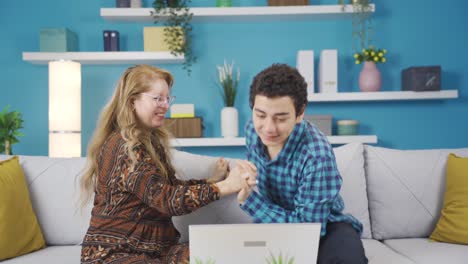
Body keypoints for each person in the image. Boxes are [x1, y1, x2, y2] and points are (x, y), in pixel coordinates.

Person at [80, 64, 256, 264]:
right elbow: (167, 200)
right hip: (115, 255)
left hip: (153, 252)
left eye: (167, 98)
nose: (165, 105)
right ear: (132, 101)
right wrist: (226, 186)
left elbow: (166, 188)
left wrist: (210, 181)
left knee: (217, 251)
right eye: (157, 98)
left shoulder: (148, 141)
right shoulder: (125, 147)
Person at [238, 64, 368, 264]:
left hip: (322, 227)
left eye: (281, 118)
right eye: (261, 115)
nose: (268, 128)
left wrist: (250, 200)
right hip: (272, 222)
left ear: (300, 113)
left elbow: (308, 230)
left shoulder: (316, 154)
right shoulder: (252, 131)